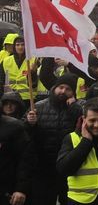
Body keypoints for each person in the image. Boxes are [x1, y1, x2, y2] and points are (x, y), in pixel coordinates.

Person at [26, 73, 83, 205]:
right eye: (61, 87)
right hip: (43, 166)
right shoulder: (38, 107)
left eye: (68, 89)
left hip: (67, 166)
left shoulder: (78, 107)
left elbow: (83, 128)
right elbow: (25, 134)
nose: (63, 91)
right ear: (55, 88)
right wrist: (30, 123)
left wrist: (74, 107)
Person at [0, 95, 33, 205]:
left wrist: (21, 188)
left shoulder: (15, 127)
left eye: (12, 103)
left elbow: (25, 160)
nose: (9, 106)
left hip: (6, 189)